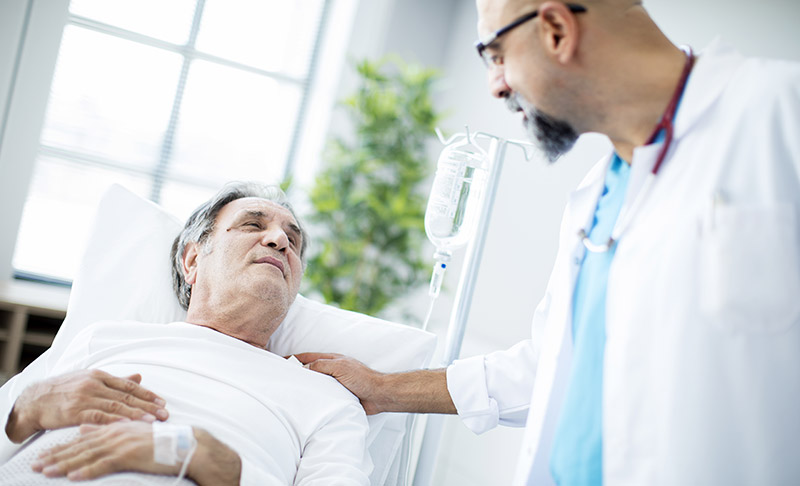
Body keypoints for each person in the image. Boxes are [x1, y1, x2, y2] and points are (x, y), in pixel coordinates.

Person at [296, 0, 800, 485]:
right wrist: (382, 390)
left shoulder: (779, 112)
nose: (495, 86)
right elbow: (548, 368)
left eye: (495, 56)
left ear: (557, 29)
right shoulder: (596, 195)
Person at [0, 182, 371, 485]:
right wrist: (24, 412)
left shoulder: (328, 399)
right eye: (253, 225)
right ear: (192, 260)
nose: (280, 241)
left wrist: (214, 460)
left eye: (294, 241)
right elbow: (11, 421)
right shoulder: (107, 339)